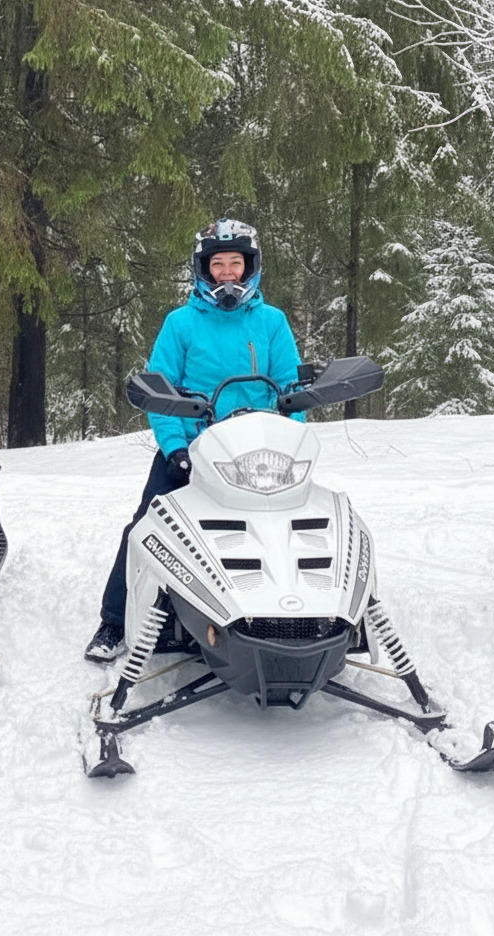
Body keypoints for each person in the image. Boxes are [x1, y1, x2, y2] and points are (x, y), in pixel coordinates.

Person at [84, 217, 303, 661]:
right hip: (194, 447)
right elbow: (159, 389)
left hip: (258, 452)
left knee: (297, 523)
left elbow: (291, 387)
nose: (227, 273)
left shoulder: (272, 322)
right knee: (146, 525)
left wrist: (290, 436)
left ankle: (299, 614)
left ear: (250, 267)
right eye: (217, 264)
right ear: (203, 269)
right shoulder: (180, 323)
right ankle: (114, 620)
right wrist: (175, 449)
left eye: (235, 263)